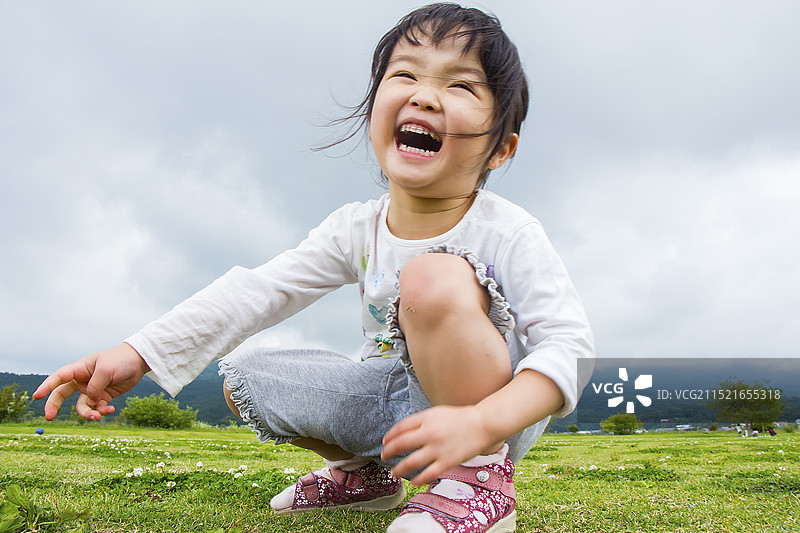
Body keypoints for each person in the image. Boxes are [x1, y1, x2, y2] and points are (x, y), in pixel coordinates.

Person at [33, 4, 594, 532]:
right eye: (405, 75)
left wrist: (482, 424)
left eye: (460, 84)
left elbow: (568, 345)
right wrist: (139, 352)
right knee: (245, 376)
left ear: (501, 148)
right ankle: (371, 474)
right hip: (393, 402)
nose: (424, 97)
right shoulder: (354, 228)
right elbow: (261, 292)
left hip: (491, 414)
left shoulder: (507, 230)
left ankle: (480, 481)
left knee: (431, 277)